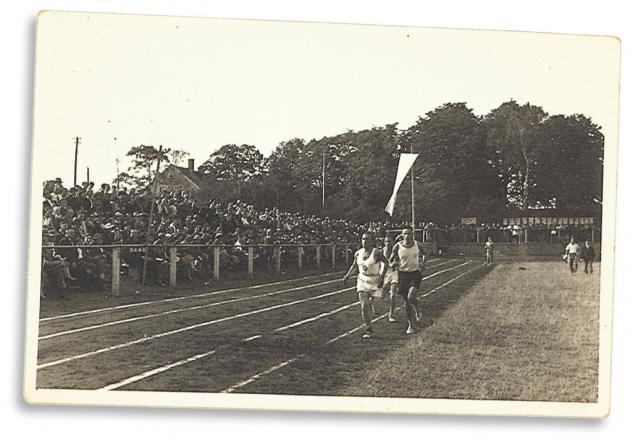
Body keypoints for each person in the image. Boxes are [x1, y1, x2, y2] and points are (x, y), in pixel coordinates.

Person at [342, 232, 388, 339]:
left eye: (367, 239)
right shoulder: (358, 253)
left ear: (371, 241)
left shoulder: (376, 253)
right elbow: (354, 265)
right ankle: (368, 328)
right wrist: (347, 275)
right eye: (363, 239)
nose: (364, 241)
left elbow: (386, 263)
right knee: (364, 306)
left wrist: (382, 277)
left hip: (375, 280)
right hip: (362, 280)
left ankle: (374, 302)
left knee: (377, 308)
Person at [390, 227, 427, 335]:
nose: (408, 236)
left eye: (410, 234)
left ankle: (417, 308)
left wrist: (423, 263)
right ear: (402, 235)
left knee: (411, 296)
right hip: (403, 275)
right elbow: (391, 258)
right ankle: (410, 324)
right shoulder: (397, 246)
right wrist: (393, 264)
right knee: (407, 301)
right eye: (405, 234)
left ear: (413, 235)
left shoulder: (417, 245)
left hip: (415, 274)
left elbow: (425, 253)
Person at [382, 235, 399, 322]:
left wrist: (394, 264)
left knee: (393, 294)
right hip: (385, 274)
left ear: (392, 243)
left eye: (389, 241)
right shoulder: (381, 251)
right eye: (386, 241)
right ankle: (373, 306)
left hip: (394, 273)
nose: (388, 243)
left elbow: (398, 262)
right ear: (384, 243)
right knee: (381, 295)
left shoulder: (396, 251)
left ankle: (391, 314)